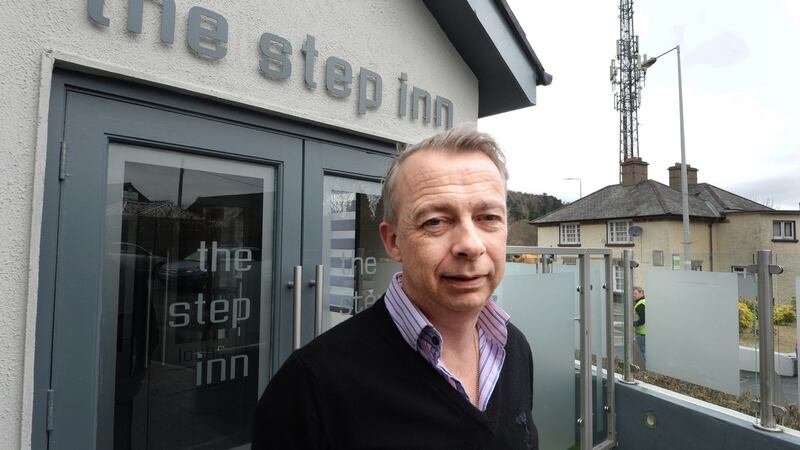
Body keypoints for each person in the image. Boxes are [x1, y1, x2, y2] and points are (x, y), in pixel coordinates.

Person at [252, 128, 538, 449]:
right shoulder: (310, 387)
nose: (470, 245)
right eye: (435, 221)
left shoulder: (514, 349)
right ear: (393, 241)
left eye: (488, 217)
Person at [632, 286, 646, 360]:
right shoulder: (644, 301)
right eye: (633, 293)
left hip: (641, 333)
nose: (633, 295)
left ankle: (648, 368)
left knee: (644, 351)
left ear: (641, 293)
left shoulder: (640, 305)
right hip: (646, 332)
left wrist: (633, 324)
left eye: (635, 293)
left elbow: (643, 319)